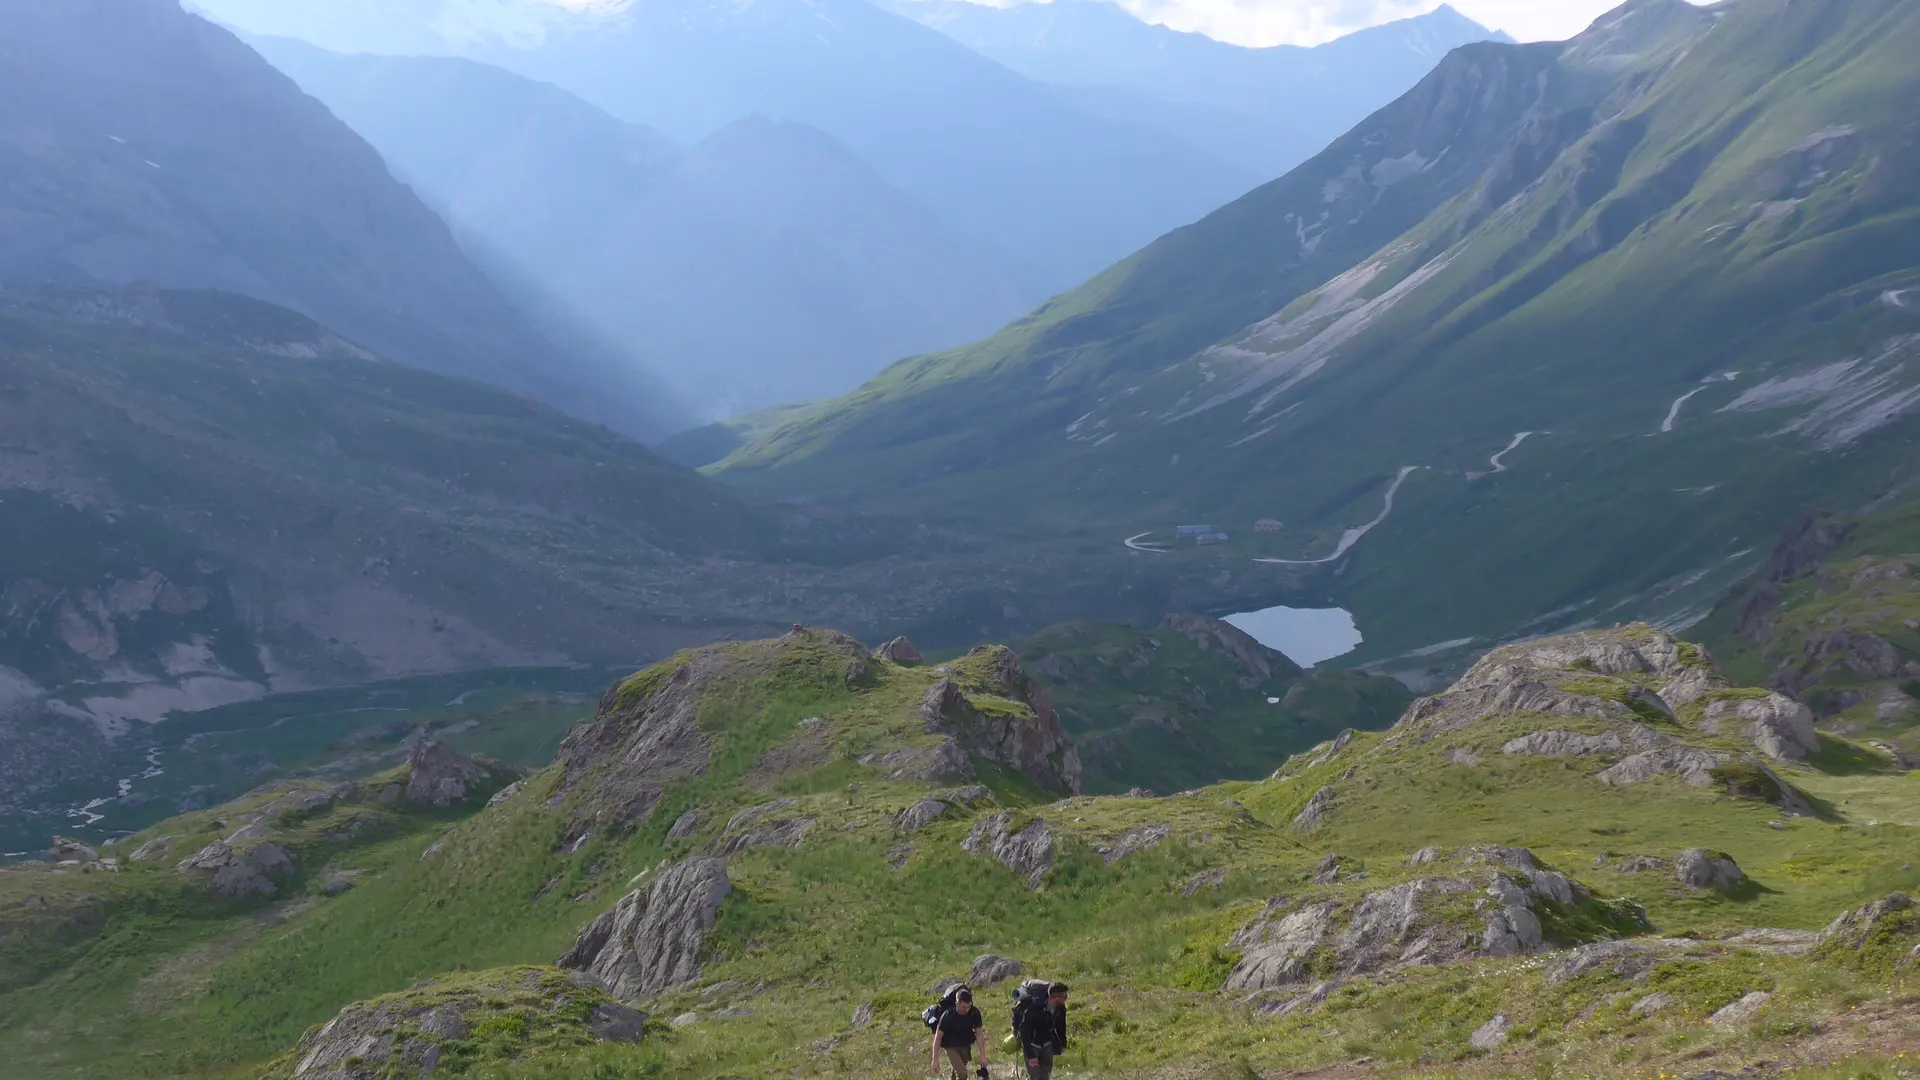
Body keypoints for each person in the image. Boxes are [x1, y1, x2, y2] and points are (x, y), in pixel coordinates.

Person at [929, 988, 989, 1080]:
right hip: (951, 1047)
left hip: (965, 1046)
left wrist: (983, 1056)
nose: (967, 1010)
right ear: (957, 1003)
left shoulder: (974, 1013)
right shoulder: (948, 1015)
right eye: (964, 1007)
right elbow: (938, 1038)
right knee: (962, 1074)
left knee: (957, 1073)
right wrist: (935, 1060)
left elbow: (979, 1034)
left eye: (969, 1006)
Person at [1016, 982, 1069, 1080]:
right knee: (1035, 1076)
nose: (1066, 998)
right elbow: (1023, 1032)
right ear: (1056, 997)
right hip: (1032, 1044)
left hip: (1047, 1043)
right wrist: (1031, 1056)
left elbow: (1061, 1026)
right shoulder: (1034, 1009)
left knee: (1046, 1076)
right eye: (1064, 996)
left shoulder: (1061, 1008)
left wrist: (1063, 1044)